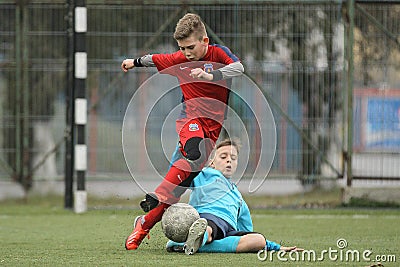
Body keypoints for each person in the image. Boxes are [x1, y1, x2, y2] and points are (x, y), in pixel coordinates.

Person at [121, 13, 244, 250]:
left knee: (174, 189)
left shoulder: (218, 54)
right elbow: (154, 59)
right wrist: (133, 62)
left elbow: (239, 68)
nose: (186, 53)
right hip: (190, 121)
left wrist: (212, 75)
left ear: (205, 41)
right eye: (181, 48)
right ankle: (160, 195)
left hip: (213, 129)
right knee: (194, 148)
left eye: (190, 47)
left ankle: (143, 223)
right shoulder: (180, 59)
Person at [166, 139, 303, 255]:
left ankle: (186, 243)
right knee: (209, 227)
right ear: (212, 162)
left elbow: (246, 229)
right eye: (223, 156)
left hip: (228, 230)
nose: (229, 161)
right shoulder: (203, 175)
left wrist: (277, 247)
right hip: (206, 217)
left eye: (233, 158)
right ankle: (200, 237)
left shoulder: (238, 197)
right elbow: (176, 174)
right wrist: (179, 151)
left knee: (258, 240)